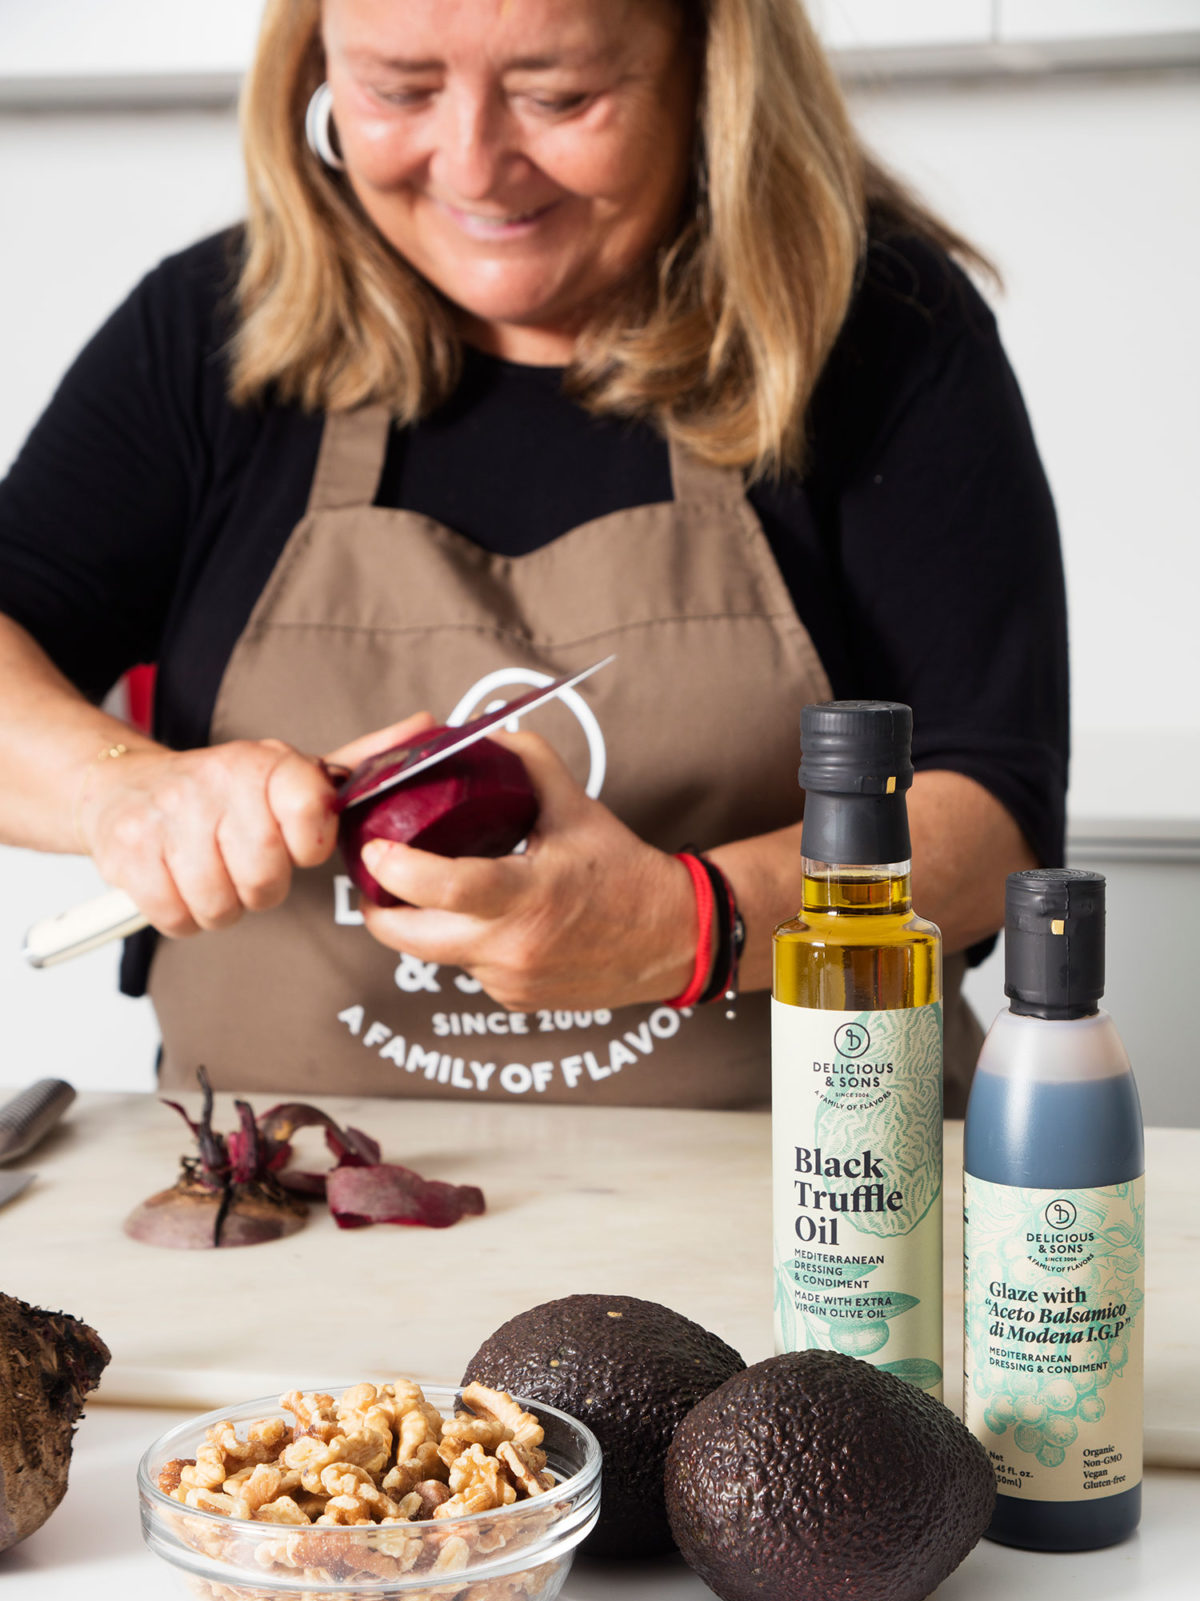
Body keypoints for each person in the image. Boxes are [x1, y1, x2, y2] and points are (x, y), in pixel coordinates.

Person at [0, 0, 1067, 1112]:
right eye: (398, 91)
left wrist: (688, 926)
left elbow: (995, 819)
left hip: (811, 1226)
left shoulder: (878, 330)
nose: (473, 166)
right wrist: (121, 793)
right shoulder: (213, 332)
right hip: (279, 1228)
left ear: (708, 68)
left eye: (559, 97)